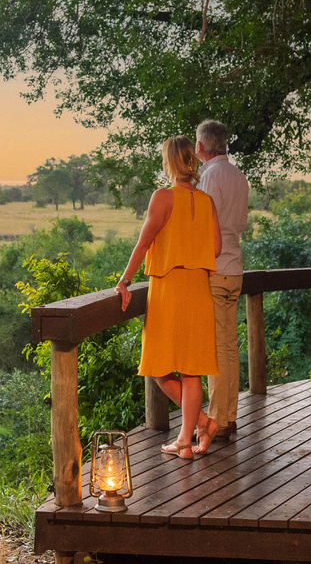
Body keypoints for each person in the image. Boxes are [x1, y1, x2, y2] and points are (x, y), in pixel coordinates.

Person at [116, 136, 221, 459]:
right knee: (191, 369)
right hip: (198, 289)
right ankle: (190, 436)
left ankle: (192, 434)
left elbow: (144, 241)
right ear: (192, 162)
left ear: (169, 163)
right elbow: (216, 248)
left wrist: (125, 280)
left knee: (160, 368)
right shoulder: (206, 201)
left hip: (169, 288)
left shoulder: (162, 197)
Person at [196, 119, 251, 447]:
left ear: (201, 147)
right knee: (229, 348)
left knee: (217, 351)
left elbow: (202, 225)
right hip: (235, 269)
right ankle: (227, 417)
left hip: (215, 270)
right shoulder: (238, 177)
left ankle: (217, 420)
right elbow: (240, 224)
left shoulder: (209, 177)